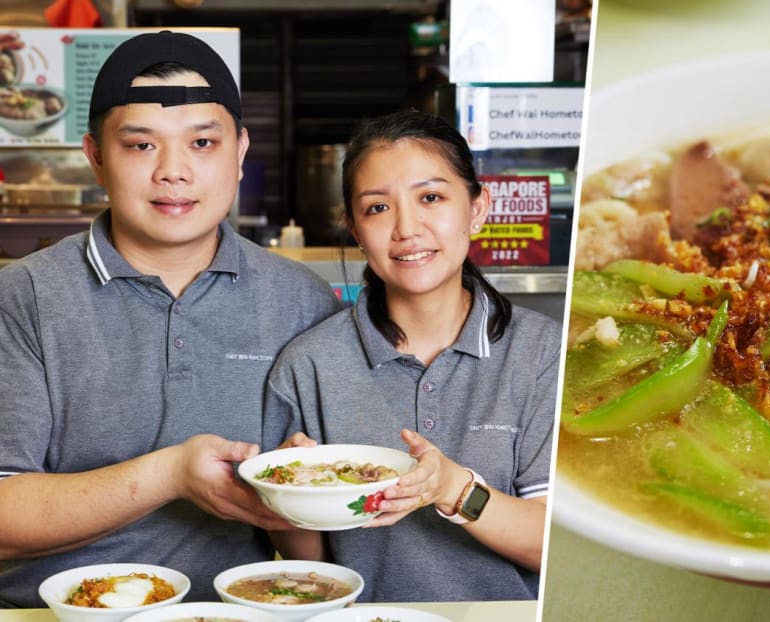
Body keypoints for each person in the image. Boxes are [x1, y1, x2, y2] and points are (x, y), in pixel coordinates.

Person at [0, 31, 340, 607]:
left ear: (239, 153)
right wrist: (171, 475)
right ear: (96, 157)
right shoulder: (22, 298)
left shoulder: (302, 302)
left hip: (236, 612)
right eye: (141, 146)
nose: (174, 172)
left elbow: (319, 537)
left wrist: (298, 495)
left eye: (203, 142)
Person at [266, 109, 561, 602]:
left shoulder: (542, 354)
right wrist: (294, 498)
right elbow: (307, 568)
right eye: (377, 208)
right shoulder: (308, 365)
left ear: (477, 208)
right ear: (354, 229)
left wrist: (453, 488)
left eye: (431, 197)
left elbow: (552, 548)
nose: (407, 228)